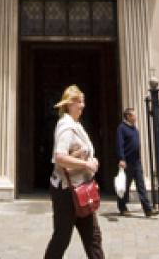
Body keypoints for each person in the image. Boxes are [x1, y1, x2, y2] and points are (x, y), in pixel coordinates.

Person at [44, 85, 104, 259]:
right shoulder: (66, 127)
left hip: (81, 189)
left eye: (83, 101)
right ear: (69, 104)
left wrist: (91, 160)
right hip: (67, 192)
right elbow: (60, 157)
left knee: (93, 238)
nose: (82, 105)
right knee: (62, 237)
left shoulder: (75, 125)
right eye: (79, 102)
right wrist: (85, 165)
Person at [115, 107, 152, 217]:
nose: (136, 117)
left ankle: (148, 210)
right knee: (124, 186)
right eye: (134, 115)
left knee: (141, 185)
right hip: (127, 162)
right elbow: (119, 144)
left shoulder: (134, 128)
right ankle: (122, 207)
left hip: (136, 161)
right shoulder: (121, 128)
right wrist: (121, 158)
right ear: (128, 116)